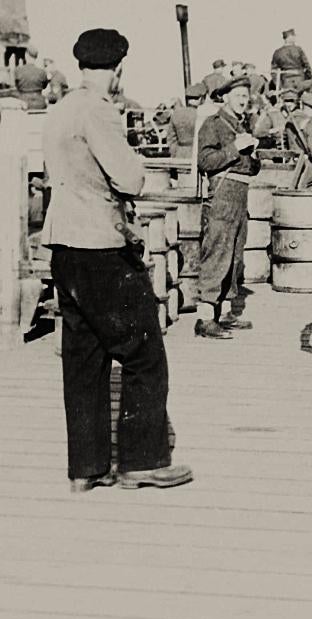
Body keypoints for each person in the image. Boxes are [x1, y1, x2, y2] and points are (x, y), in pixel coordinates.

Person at [42, 28, 192, 492]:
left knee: (83, 359)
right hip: (101, 248)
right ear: (118, 68)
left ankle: (86, 469)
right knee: (144, 353)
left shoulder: (60, 109)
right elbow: (130, 179)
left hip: (64, 247)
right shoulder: (99, 110)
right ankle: (142, 462)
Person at [195, 76, 261, 339]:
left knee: (234, 256)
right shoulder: (213, 124)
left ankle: (222, 314)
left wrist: (253, 156)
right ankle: (204, 318)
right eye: (239, 96)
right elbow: (205, 161)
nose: (244, 100)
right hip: (222, 195)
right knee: (217, 253)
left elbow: (250, 169)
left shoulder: (241, 125)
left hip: (240, 195)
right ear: (225, 97)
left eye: (246, 96)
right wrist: (236, 147)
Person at [166, 82, 206, 158]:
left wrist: (175, 153)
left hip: (180, 154)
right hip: (197, 154)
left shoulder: (176, 114)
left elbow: (170, 138)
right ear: (200, 99)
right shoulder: (202, 115)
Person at [14, 45, 48, 109]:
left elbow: (16, 86)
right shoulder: (42, 72)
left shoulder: (18, 70)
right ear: (36, 57)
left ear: (26, 55)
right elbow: (44, 86)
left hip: (24, 103)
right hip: (40, 103)